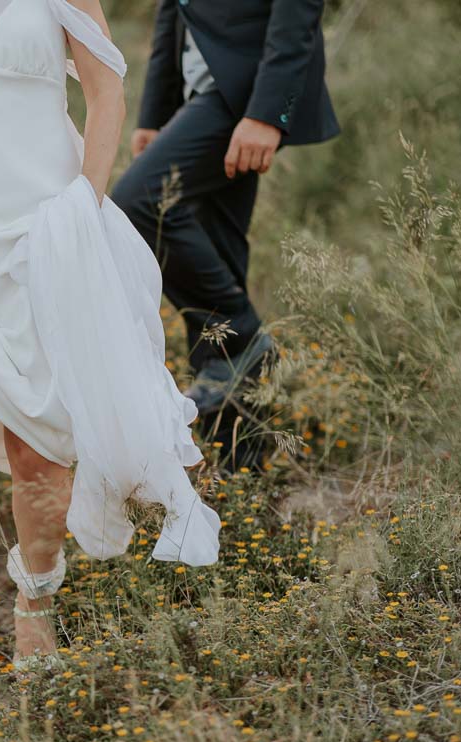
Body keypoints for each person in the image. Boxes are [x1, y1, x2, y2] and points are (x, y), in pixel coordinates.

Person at [0, 0, 221, 742]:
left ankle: (36, 589)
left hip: (38, 238)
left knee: (39, 456)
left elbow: (105, 92)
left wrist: (83, 208)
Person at [111, 0, 340, 445]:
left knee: (139, 203)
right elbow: (173, 9)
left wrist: (267, 113)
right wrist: (156, 114)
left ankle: (243, 338)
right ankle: (242, 460)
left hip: (246, 92)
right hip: (202, 92)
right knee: (219, 251)